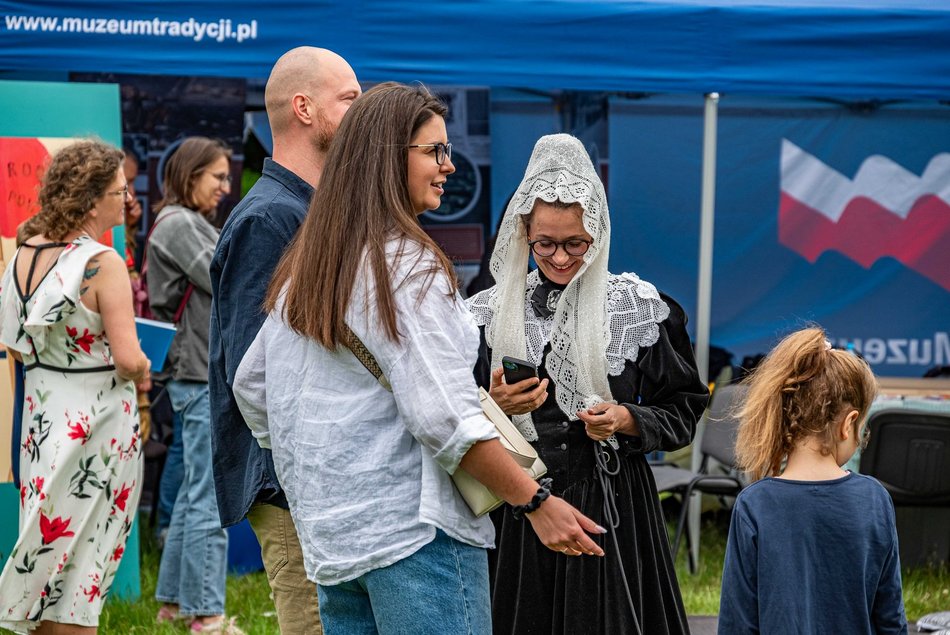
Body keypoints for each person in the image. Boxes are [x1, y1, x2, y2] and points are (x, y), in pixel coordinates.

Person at [231, 82, 606, 635]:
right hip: (416, 533)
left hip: (336, 537)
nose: (448, 166)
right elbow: (444, 420)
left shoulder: (310, 266)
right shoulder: (404, 266)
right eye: (434, 151)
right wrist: (536, 503)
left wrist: (331, 466)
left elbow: (253, 388)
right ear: (387, 159)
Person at [466, 133, 709, 634]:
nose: (559, 258)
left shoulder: (637, 309)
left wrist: (629, 417)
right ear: (522, 235)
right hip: (518, 507)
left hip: (612, 504)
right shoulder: (483, 314)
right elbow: (447, 417)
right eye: (544, 244)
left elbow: (685, 405)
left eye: (576, 243)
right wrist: (495, 402)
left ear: (598, 232)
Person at [208, 46, 360, 635]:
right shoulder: (270, 219)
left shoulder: (308, 210)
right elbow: (254, 371)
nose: (361, 109)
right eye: (348, 98)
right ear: (304, 108)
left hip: (321, 477)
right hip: (291, 483)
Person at [0, 140, 150, 634]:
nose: (125, 202)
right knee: (83, 556)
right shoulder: (101, 262)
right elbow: (128, 359)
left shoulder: (23, 253)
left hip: (42, 422)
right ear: (92, 198)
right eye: (119, 192)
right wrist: (148, 365)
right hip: (97, 423)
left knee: (47, 550)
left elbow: (17, 348)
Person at [718, 327, 908, 634]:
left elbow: (737, 622)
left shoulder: (755, 504)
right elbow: (890, 617)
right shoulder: (874, 499)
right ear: (849, 424)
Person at [147, 137, 242, 634]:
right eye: (218, 177)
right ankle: (206, 613)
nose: (225, 188)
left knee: (191, 492)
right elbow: (228, 276)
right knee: (209, 496)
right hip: (197, 373)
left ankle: (171, 602)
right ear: (190, 176)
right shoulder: (182, 224)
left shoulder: (178, 223)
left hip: (190, 373)